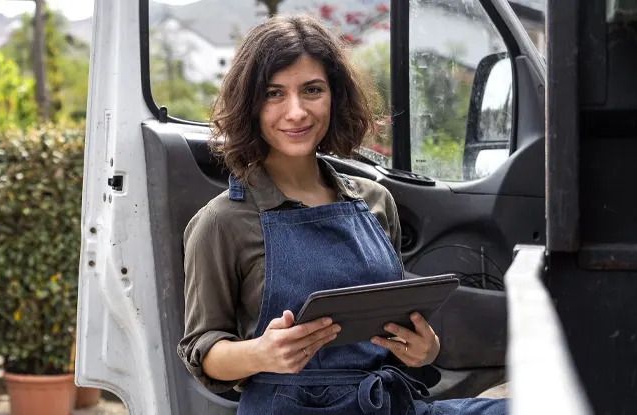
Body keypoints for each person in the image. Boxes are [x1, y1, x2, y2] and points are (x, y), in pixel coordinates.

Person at [177, 14, 508, 415]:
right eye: (274, 94)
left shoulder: (375, 202)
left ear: (335, 96)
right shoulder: (222, 222)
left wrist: (424, 348)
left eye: (312, 90)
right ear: (250, 105)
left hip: (387, 403)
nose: (296, 111)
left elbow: (394, 316)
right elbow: (203, 349)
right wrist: (261, 354)